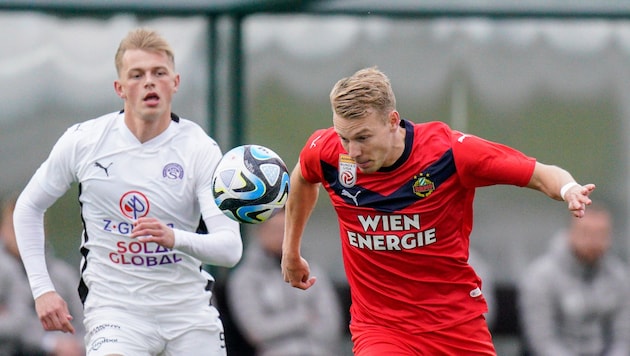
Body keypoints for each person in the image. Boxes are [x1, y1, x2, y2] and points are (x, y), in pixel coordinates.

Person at [280, 66, 596, 355]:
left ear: (392, 121)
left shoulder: (450, 153)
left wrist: (569, 190)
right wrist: (290, 251)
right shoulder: (326, 153)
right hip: (381, 329)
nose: (353, 151)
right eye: (344, 138)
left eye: (363, 137)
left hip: (455, 324)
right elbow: (303, 178)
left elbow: (540, 174)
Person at [12, 28, 243, 355]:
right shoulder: (84, 142)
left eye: (159, 73)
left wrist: (173, 237)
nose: (149, 82)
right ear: (120, 88)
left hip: (188, 312)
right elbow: (28, 207)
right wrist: (42, 290)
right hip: (116, 310)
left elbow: (230, 248)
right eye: (137, 75)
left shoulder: (200, 149)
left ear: (174, 82)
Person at [226, 209, 343, 356]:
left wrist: (281, 324)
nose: (281, 237)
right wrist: (304, 317)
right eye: (275, 230)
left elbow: (331, 325)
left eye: (287, 230)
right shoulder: (245, 277)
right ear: (260, 232)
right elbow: (256, 331)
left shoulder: (314, 271)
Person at [518, 203, 630, 356]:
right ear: (569, 232)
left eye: (601, 234)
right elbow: (542, 341)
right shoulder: (540, 277)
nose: (594, 241)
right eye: (586, 232)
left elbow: (623, 337)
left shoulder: (620, 276)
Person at [0, 194, 85, 356]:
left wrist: (73, 346)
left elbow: (87, 324)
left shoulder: (63, 275)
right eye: (14, 228)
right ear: (2, 230)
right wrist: (49, 342)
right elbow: (15, 324)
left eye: (29, 228)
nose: (21, 236)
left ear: (44, 230)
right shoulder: (5, 273)